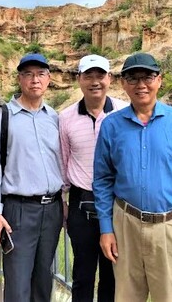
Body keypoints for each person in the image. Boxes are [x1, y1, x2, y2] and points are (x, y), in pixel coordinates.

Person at [93, 52, 172, 302]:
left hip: (169, 228)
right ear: (123, 84)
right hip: (125, 226)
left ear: (159, 80)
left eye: (147, 77)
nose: (141, 84)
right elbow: (103, 180)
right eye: (133, 78)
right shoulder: (111, 126)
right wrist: (106, 228)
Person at [0, 53, 64, 302]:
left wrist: (64, 202)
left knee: (43, 280)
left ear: (49, 79)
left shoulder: (53, 117)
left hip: (52, 210)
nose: (35, 80)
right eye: (28, 74)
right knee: (18, 284)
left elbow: (61, 162)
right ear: (20, 79)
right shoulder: (4, 116)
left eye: (40, 74)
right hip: (18, 211)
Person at [59, 54, 128, 302]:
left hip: (117, 203)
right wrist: (62, 200)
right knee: (83, 274)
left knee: (112, 274)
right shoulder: (66, 118)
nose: (95, 81)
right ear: (79, 79)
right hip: (82, 204)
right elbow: (63, 161)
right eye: (89, 76)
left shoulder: (124, 112)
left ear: (110, 78)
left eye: (100, 75)